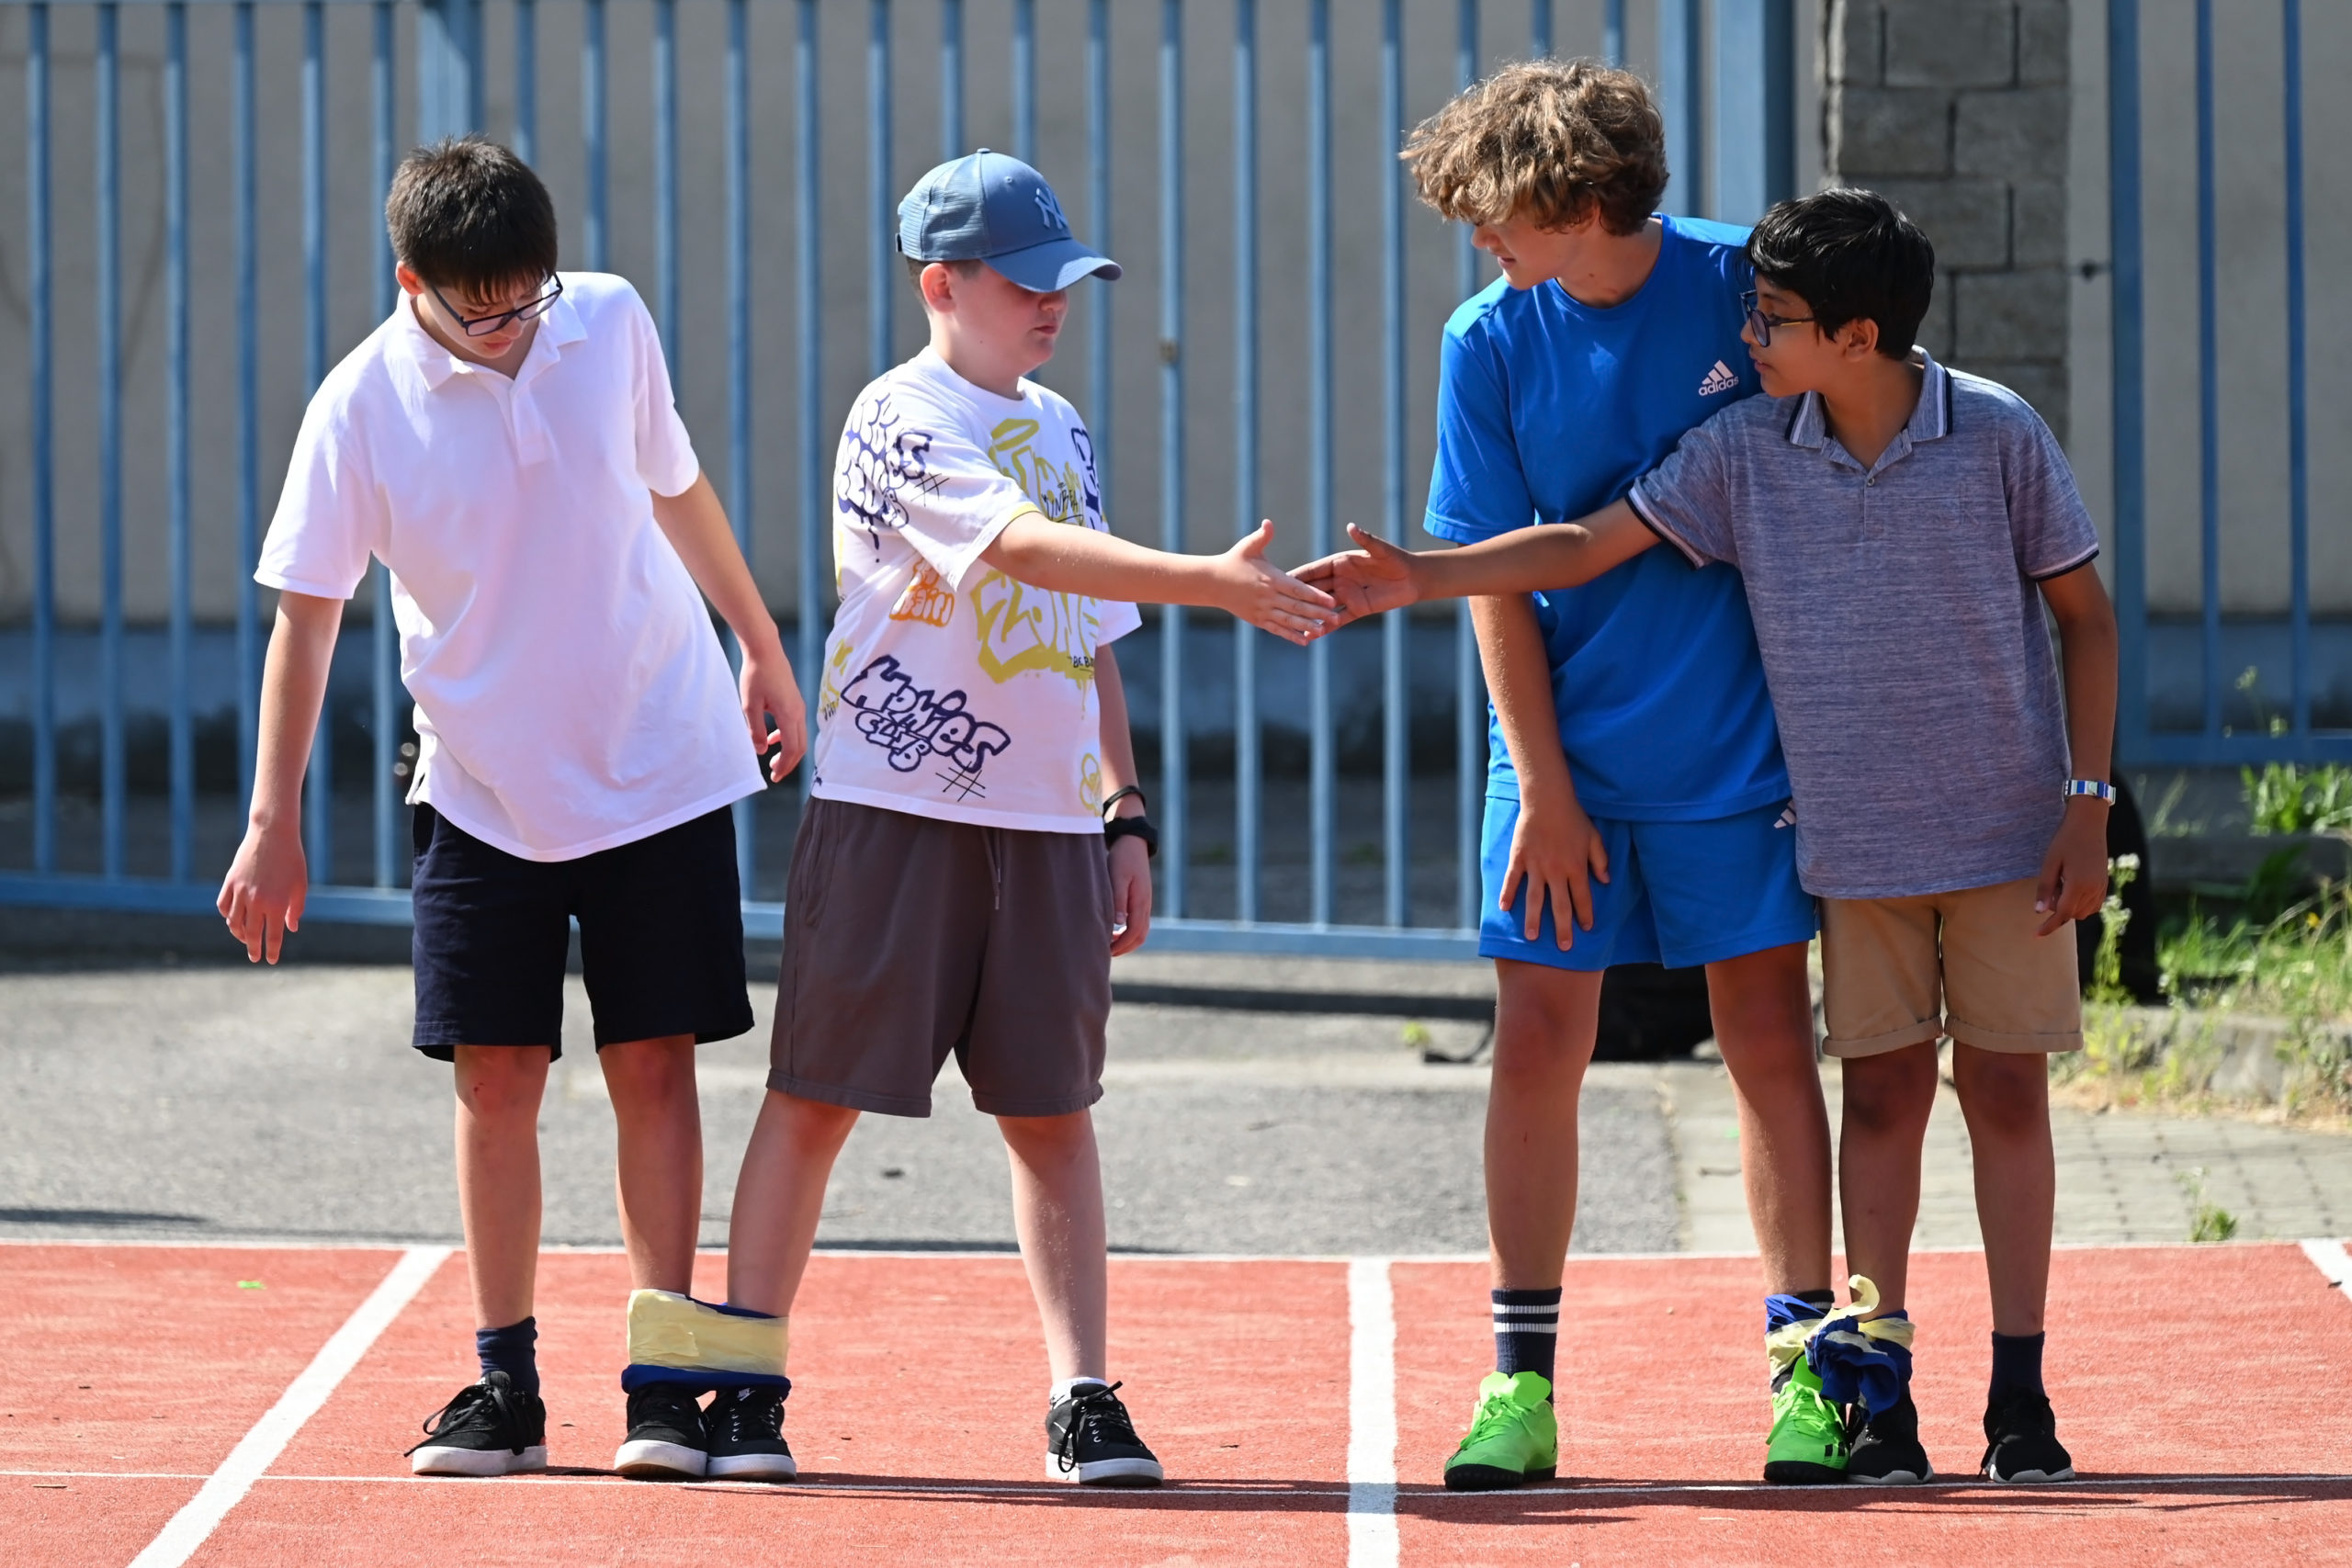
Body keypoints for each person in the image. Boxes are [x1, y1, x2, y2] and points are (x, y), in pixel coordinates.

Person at [1306, 186, 2118, 1487]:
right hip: (1847, 847)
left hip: (1975, 832)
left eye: (1776, 320)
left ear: (1852, 335)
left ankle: (1979, 1392)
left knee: (1976, 1090)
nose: (1750, 334)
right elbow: (1579, 546)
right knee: (1873, 1098)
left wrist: (2085, 802)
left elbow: (2086, 614)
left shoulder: (1984, 424)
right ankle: (1858, 1391)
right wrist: (1427, 576)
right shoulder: (1735, 440)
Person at [662, 150, 1336, 1488]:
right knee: (817, 1098)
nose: (1051, 305)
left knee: (1052, 1110)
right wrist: (1211, 580)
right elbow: (1019, 549)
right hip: (890, 807)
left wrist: (1123, 811)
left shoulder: (1063, 424)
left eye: (1063, 282)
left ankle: (1084, 1398)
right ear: (941, 285)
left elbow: (1088, 631)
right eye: (1024, 284)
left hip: (1047, 826)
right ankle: (744, 1386)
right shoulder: (897, 415)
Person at [216, 136, 805, 1480]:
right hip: (483, 788)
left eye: (527, 302)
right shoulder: (358, 406)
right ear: (411, 282)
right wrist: (272, 818)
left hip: (659, 756)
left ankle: (666, 1383)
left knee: (654, 1062)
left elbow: (676, 486)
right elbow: (306, 620)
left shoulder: (607, 319)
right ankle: (505, 1385)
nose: (511, 331)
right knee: (496, 1079)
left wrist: (762, 645)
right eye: (480, 312)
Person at [1392, 62, 1838, 1490]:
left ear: (1581, 203)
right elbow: (1489, 576)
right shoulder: (1486, 336)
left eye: (1496, 213)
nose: (1478, 238)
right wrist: (1543, 787)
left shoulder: (1743, 291)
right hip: (1559, 756)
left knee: (1767, 1040)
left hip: (1736, 750)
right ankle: (1518, 1389)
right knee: (1537, 1045)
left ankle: (1809, 1381)